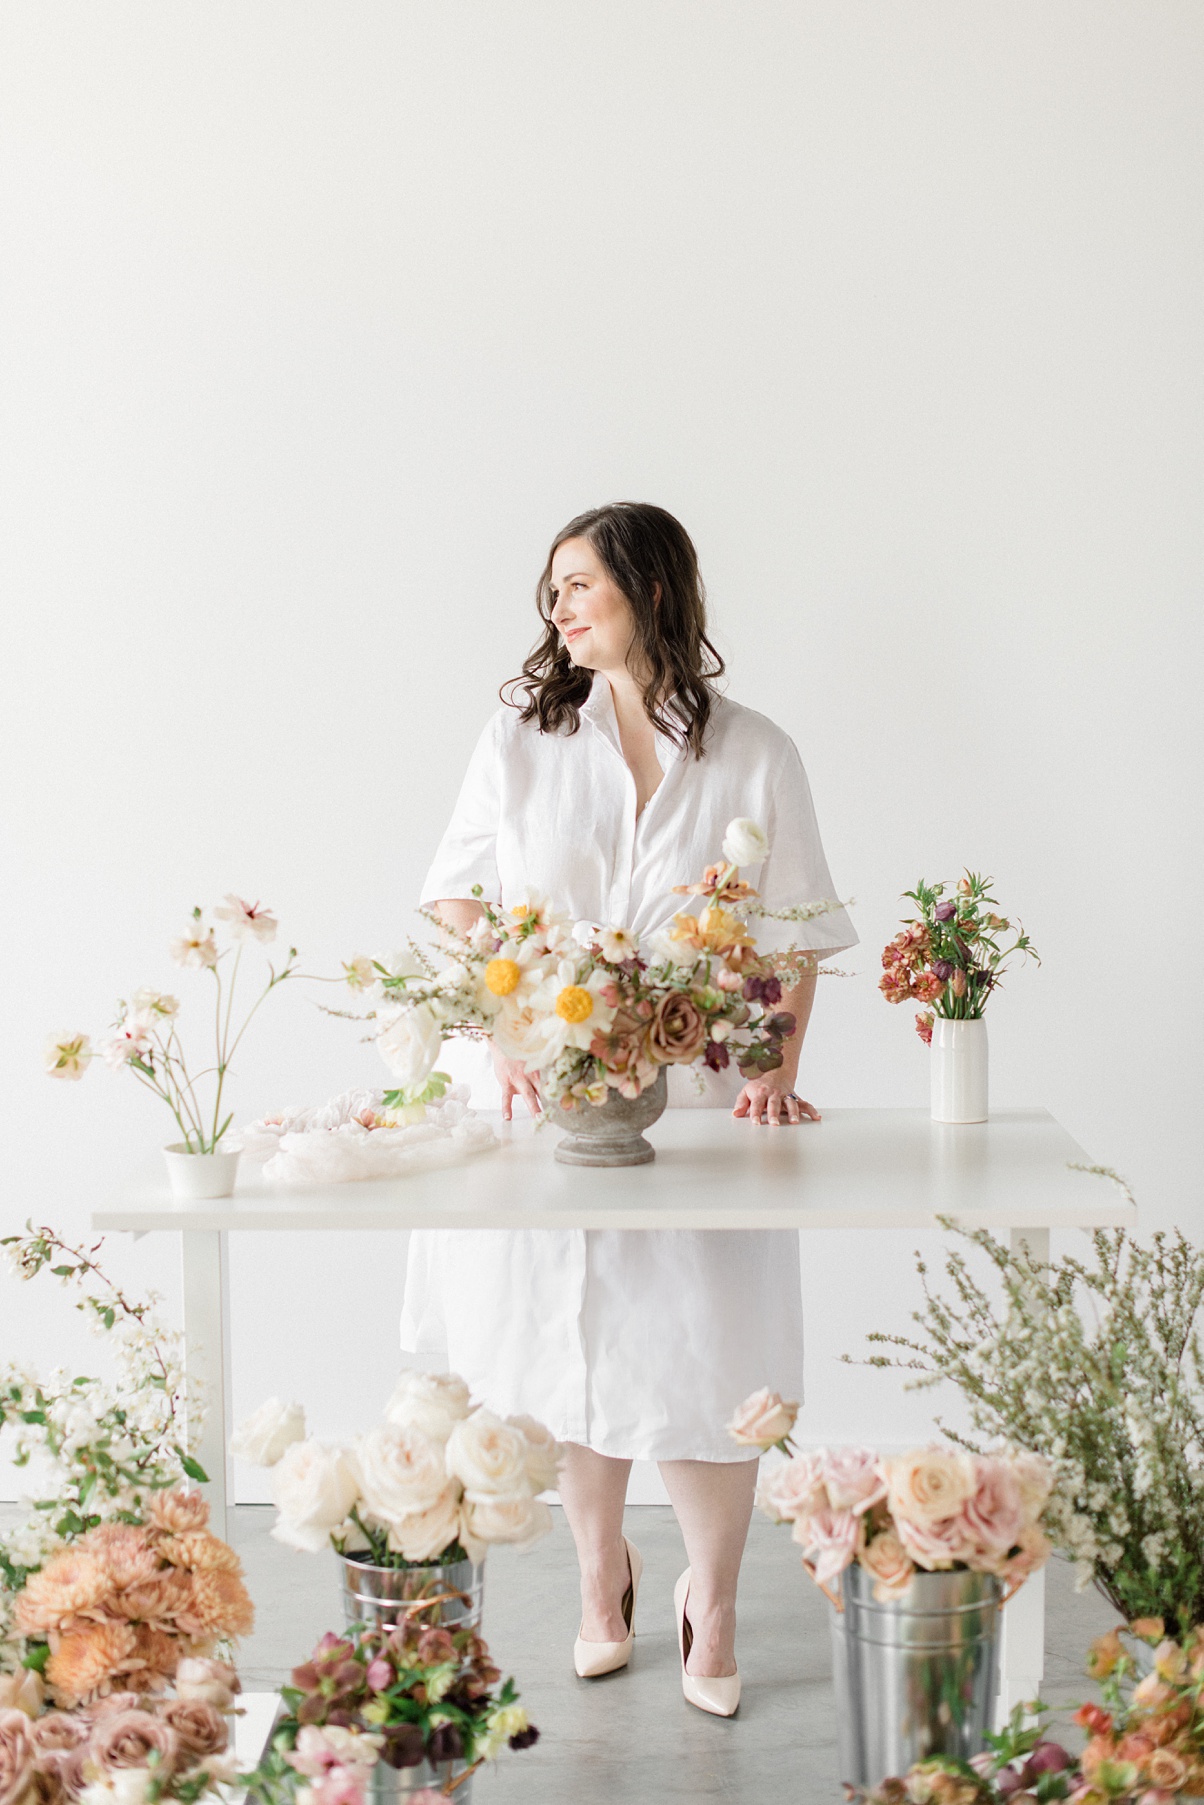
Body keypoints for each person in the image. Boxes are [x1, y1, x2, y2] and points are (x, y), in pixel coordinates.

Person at [401, 503, 856, 1715]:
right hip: (543, 1089)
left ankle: (709, 1595)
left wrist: (771, 1065)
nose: (559, 607)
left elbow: (797, 926)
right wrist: (508, 1024)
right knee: (564, 1337)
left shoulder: (755, 750)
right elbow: (455, 897)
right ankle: (601, 1573)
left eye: (580, 583)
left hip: (693, 1090)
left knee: (707, 1337)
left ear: (651, 589)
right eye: (549, 589)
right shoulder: (520, 739)